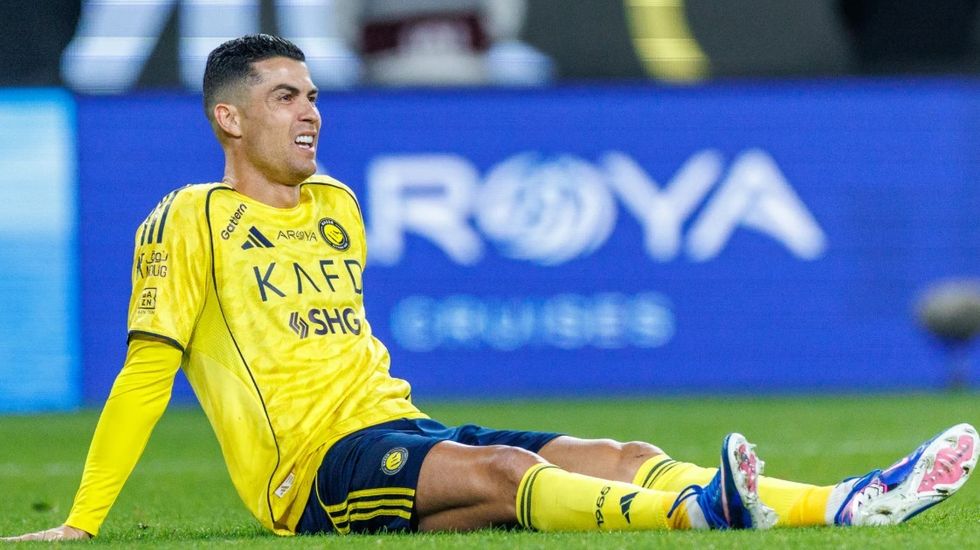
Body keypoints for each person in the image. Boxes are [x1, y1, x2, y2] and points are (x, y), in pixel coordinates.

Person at [4, 34, 977, 542]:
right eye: (285, 97)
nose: (311, 113)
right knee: (510, 477)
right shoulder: (186, 219)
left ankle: (845, 505)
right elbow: (147, 373)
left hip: (397, 426)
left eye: (314, 95)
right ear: (228, 118)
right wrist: (84, 519)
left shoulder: (337, 206)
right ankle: (706, 513)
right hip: (311, 473)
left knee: (619, 453)